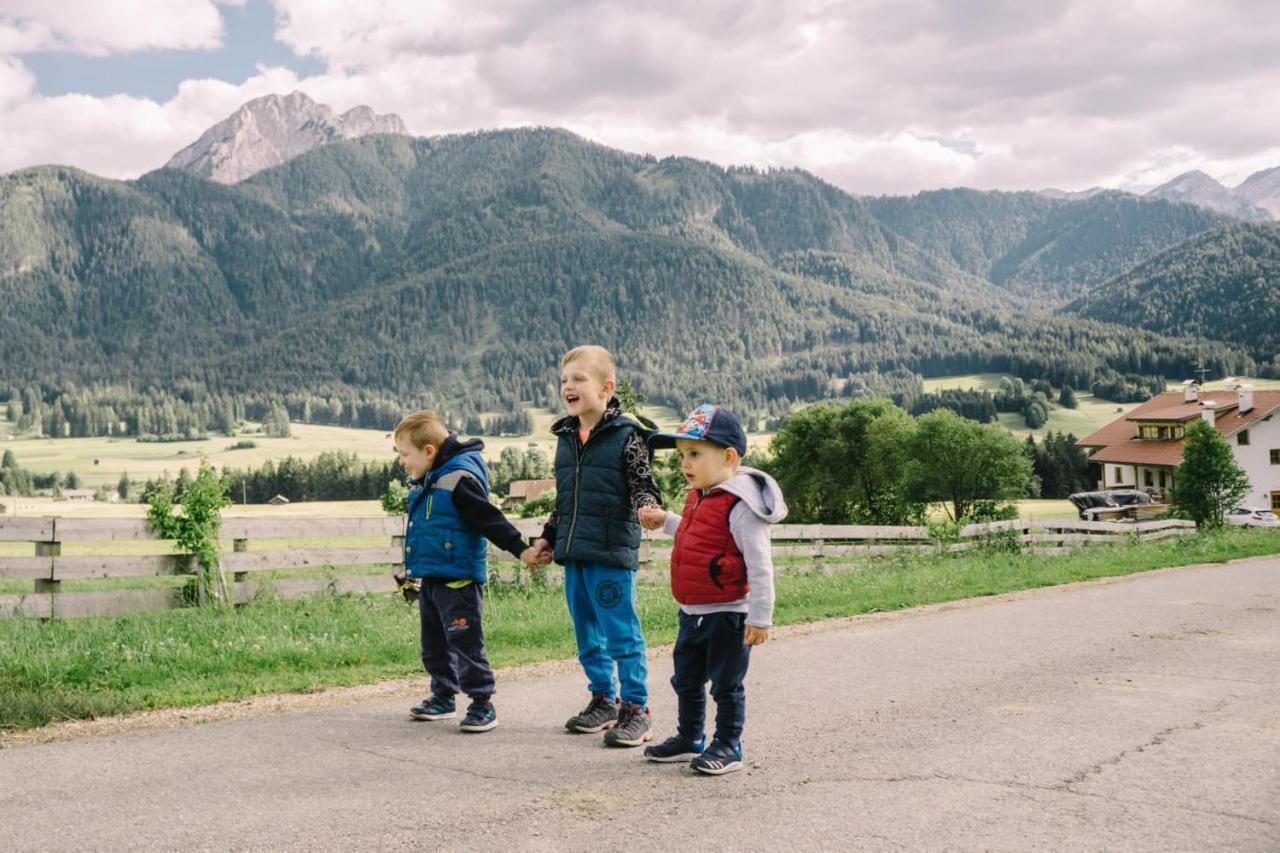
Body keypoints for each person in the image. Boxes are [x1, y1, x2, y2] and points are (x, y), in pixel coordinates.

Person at [637, 404, 787, 774]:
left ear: (729, 456)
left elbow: (759, 564)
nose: (685, 464)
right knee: (685, 679)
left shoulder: (742, 506)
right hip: (692, 612)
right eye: (682, 456)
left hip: (729, 613)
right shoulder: (701, 494)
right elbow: (698, 536)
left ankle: (728, 745)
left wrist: (760, 617)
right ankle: (690, 738)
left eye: (695, 454)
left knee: (725, 684)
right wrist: (667, 520)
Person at [531, 345, 663, 747]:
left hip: (610, 552)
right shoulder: (567, 437)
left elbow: (643, 484)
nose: (568, 387)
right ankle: (603, 699)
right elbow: (565, 499)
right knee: (587, 632)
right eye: (564, 380)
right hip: (576, 554)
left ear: (606, 388)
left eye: (578, 380)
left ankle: (636, 707)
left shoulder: (628, 435)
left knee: (620, 632)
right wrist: (549, 537)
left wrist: (648, 508)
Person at [395, 410, 547, 733]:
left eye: (404, 454)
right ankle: (443, 696)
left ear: (428, 451)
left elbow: (489, 519)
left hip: (459, 579)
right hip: (433, 577)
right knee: (434, 643)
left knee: (466, 643)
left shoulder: (458, 479)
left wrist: (521, 550)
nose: (402, 462)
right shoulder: (428, 481)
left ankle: (482, 703)